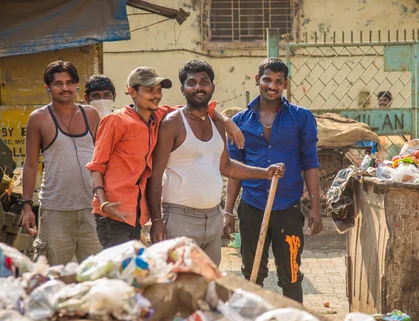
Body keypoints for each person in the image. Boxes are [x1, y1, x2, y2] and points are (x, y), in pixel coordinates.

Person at [87, 66, 245, 249]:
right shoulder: (116, 121)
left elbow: (198, 108)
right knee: (119, 271)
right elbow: (96, 166)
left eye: (158, 90)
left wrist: (226, 121)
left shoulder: (159, 116)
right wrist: (104, 202)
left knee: (132, 272)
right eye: (149, 90)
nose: (156, 95)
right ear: (132, 92)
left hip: (136, 215)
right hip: (113, 215)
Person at [146, 60, 284, 266]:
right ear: (182, 89)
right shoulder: (172, 123)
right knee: (179, 287)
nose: (198, 87)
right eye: (191, 82)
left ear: (212, 87)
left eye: (204, 82)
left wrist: (264, 173)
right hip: (178, 218)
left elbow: (226, 166)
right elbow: (155, 176)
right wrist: (157, 220)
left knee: (208, 285)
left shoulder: (218, 125)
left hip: (213, 219)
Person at [223, 58, 323, 303]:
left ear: (286, 84)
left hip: (288, 208)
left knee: (290, 274)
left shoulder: (302, 118)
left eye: (279, 81)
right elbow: (234, 170)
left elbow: (310, 163)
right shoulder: (240, 122)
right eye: (267, 79)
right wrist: (228, 212)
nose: (272, 85)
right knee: (252, 273)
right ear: (258, 80)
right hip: (252, 206)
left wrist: (316, 209)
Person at [22, 60, 102, 265]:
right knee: (52, 275)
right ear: (47, 87)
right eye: (58, 83)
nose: (65, 88)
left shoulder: (91, 114)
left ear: (77, 85)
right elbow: (30, 165)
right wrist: (27, 206)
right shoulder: (38, 118)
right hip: (55, 210)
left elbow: (103, 159)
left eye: (69, 82)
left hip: (91, 209)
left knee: (98, 273)